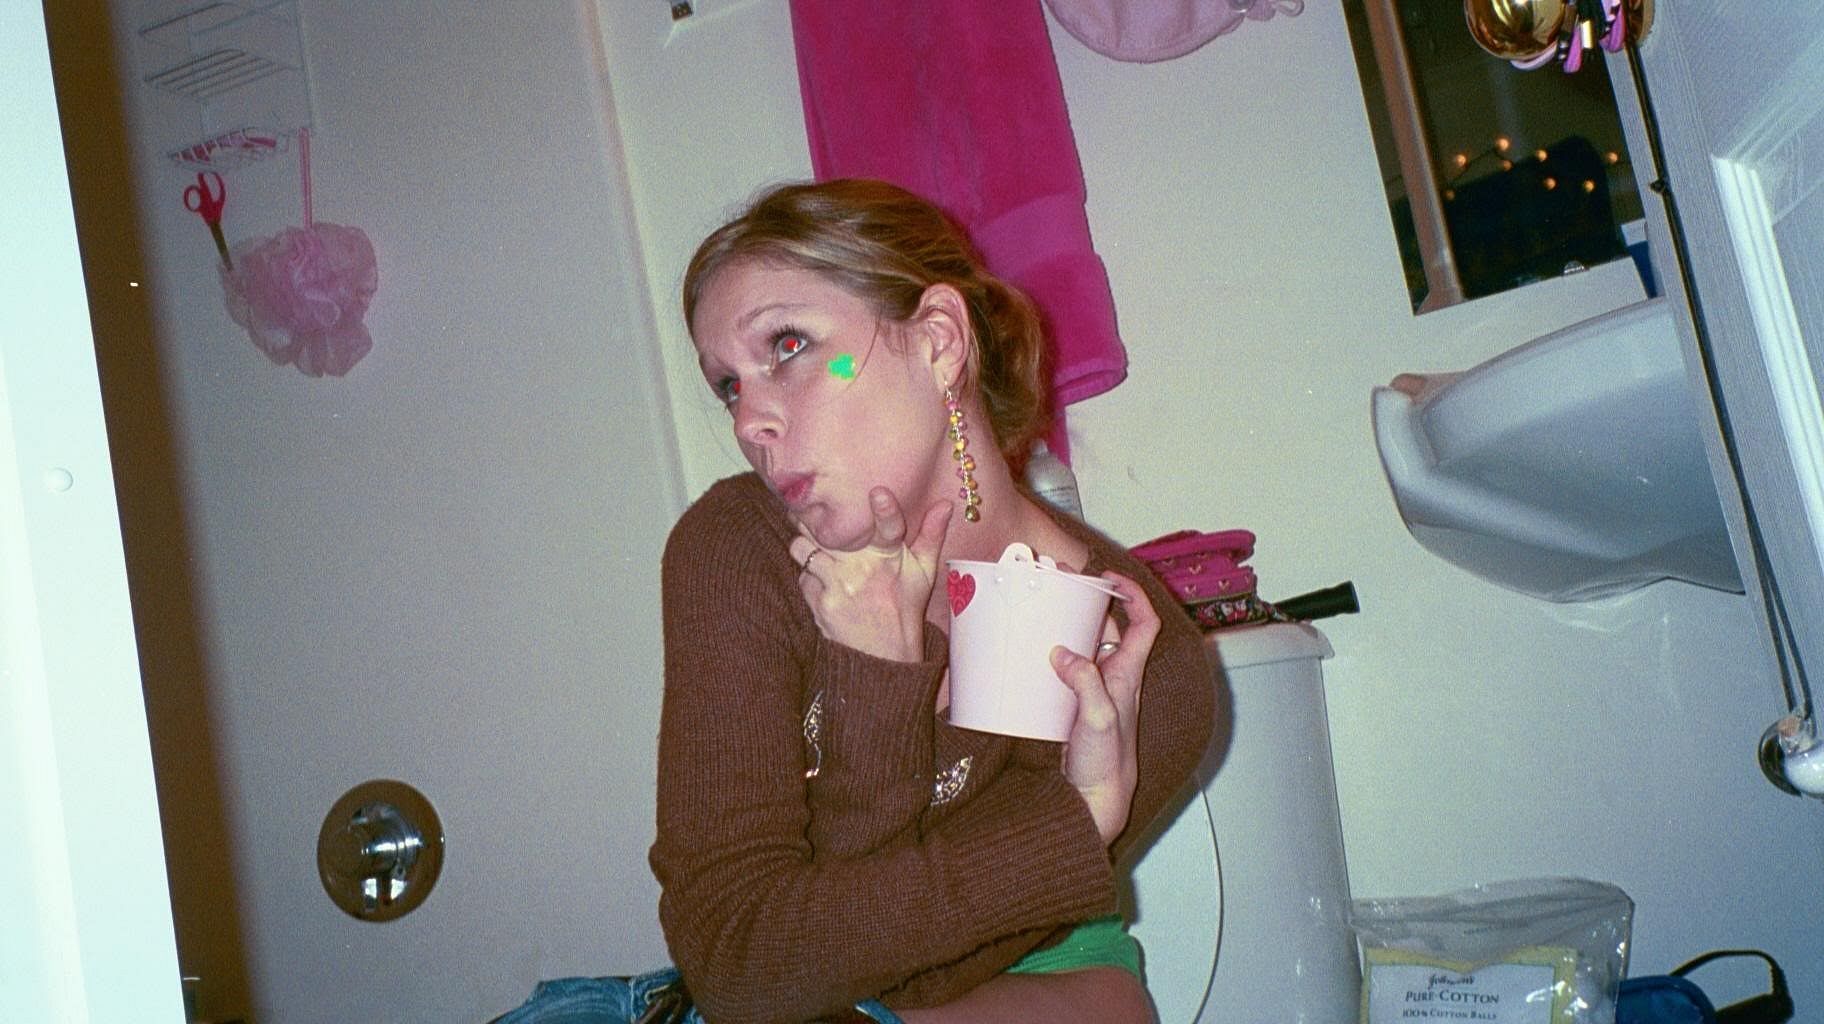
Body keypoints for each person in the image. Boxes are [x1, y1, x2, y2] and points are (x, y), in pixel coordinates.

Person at [647, 178, 1217, 1024]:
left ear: (939, 341)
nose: (749, 422)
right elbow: (741, 965)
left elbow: (906, 985)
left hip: (1038, 970)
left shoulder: (1139, 666)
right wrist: (1071, 824)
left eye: (790, 346)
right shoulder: (738, 550)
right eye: (729, 385)